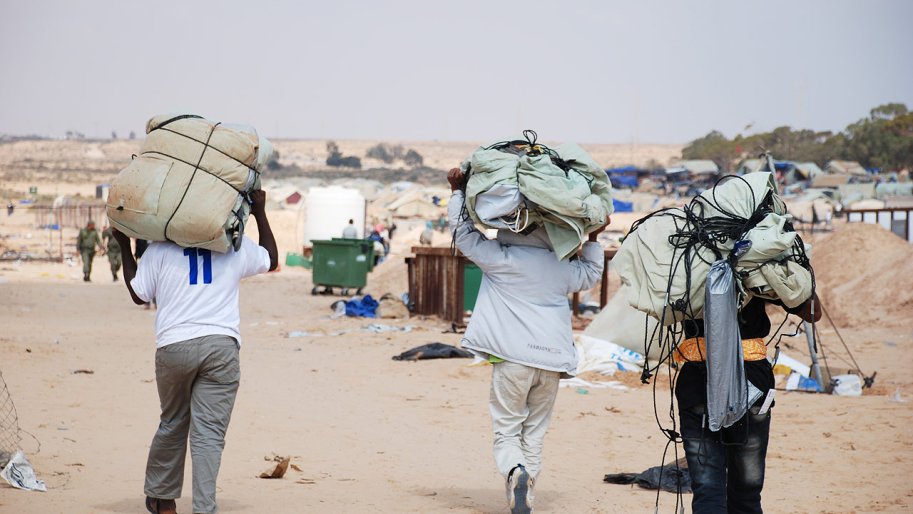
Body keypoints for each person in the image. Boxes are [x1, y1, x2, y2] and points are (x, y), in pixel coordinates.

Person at [446, 168, 606, 514]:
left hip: (513, 360)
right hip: (552, 361)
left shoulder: (501, 259)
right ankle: (526, 496)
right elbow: (593, 273)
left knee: (507, 429)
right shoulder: (560, 266)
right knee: (534, 432)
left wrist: (458, 191)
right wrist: (593, 238)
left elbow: (462, 233)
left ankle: (515, 472)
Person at [111, 190, 278, 514]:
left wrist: (124, 245)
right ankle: (204, 508)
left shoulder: (160, 250)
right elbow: (271, 259)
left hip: (174, 347)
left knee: (173, 421)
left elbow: (137, 292)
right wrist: (259, 211)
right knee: (209, 435)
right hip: (221, 348)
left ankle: (163, 498)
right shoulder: (233, 245)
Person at [675, 293, 821, 514]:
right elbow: (812, 312)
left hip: (698, 382)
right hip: (751, 381)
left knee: (707, 490)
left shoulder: (686, 261)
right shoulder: (755, 262)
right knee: (746, 492)